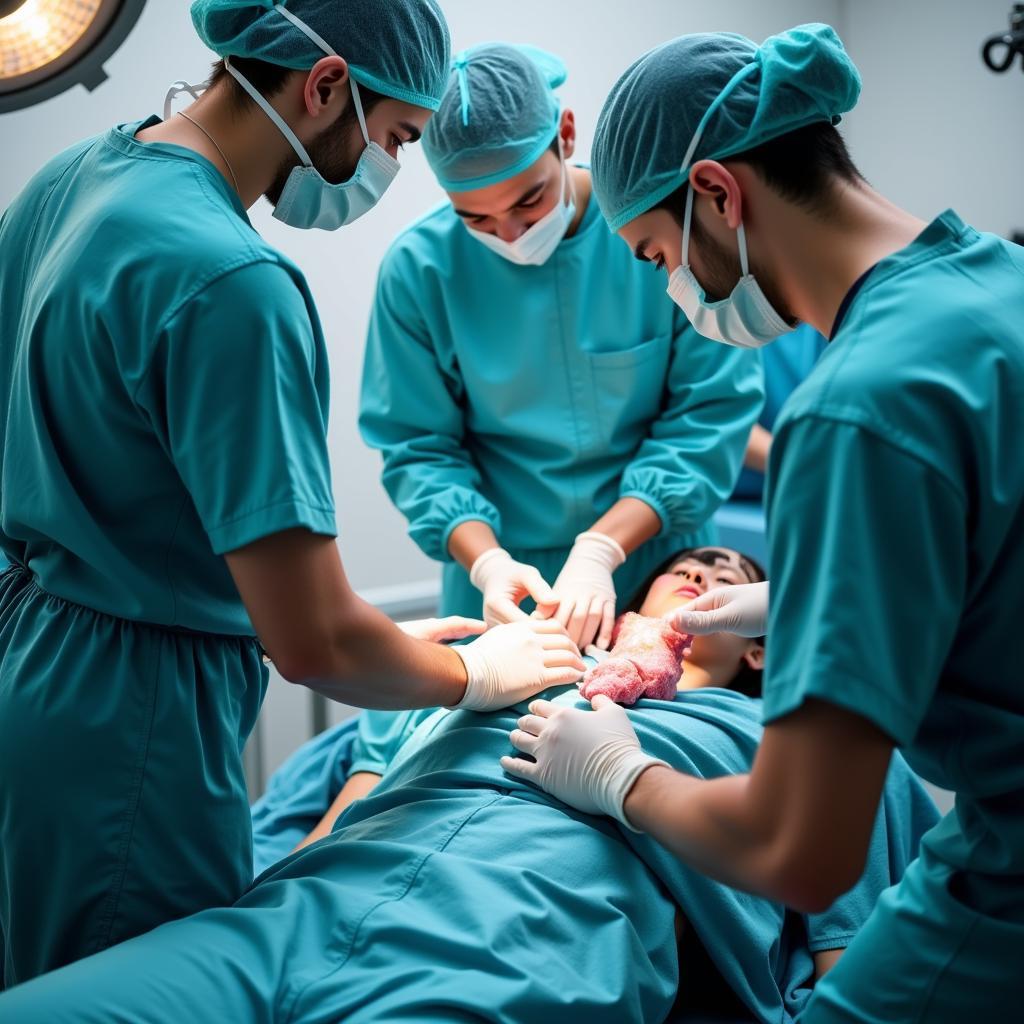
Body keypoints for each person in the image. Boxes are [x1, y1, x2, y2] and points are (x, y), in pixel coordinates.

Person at [0, 0, 586, 987]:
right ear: (323, 88)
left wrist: (403, 650)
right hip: (135, 728)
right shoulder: (231, 280)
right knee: (155, 991)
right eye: (397, 136)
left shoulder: (71, 180)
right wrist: (478, 676)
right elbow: (311, 638)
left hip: (33, 667)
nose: (389, 166)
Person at [503, 22, 1024, 1022]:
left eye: (656, 254)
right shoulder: (1000, 280)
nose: (670, 286)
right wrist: (814, 595)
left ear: (717, 192)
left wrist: (622, 775)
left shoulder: (853, 404)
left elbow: (801, 854)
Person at [0, 546, 938, 1023]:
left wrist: (629, 777)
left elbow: (845, 962)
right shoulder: (500, 663)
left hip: (529, 924)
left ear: (762, 641)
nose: (706, 570)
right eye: (687, 566)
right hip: (306, 908)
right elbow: (348, 805)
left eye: (731, 575)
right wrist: (283, 881)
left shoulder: (793, 733)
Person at [359, 43, 763, 650]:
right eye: (477, 219)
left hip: (657, 561)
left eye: (529, 199)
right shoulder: (420, 271)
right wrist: (489, 565)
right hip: (506, 580)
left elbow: (708, 413)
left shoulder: (655, 237)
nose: (512, 234)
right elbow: (417, 449)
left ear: (566, 135)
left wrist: (603, 549)